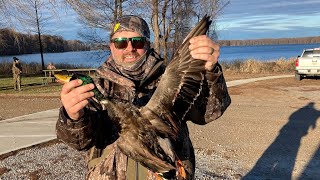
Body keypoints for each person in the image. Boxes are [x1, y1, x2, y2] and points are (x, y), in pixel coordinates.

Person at [56, 15, 231, 179]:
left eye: (137, 41)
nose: (130, 48)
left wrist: (210, 71)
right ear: (111, 46)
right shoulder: (94, 89)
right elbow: (79, 142)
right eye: (121, 43)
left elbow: (208, 113)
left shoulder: (167, 76)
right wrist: (72, 117)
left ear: (147, 44)